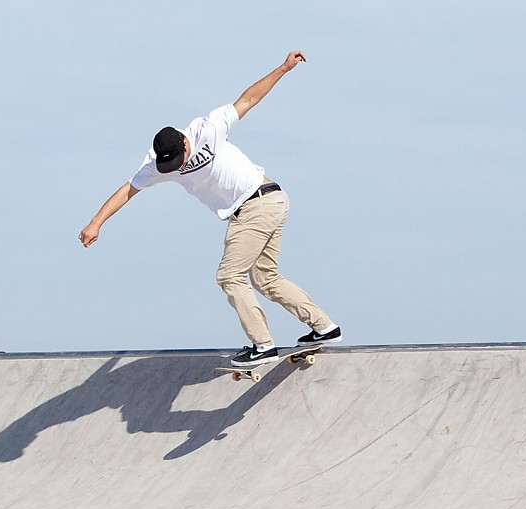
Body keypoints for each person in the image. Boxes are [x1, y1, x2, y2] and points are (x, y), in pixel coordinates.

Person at [78, 50, 341, 367]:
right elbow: (127, 190)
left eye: (180, 159)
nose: (179, 166)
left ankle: (262, 345)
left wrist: (283, 68)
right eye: (172, 165)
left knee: (229, 276)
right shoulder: (157, 165)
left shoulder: (208, 128)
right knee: (266, 279)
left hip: (257, 201)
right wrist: (96, 223)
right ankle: (324, 327)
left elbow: (248, 100)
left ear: (185, 143)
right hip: (267, 204)